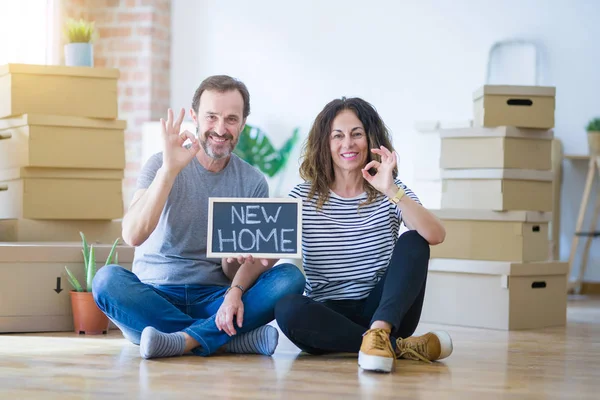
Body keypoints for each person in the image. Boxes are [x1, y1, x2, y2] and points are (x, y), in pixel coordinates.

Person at [92, 75, 305, 359]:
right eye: (211, 117)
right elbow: (133, 235)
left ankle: (180, 340)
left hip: (215, 300)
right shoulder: (160, 163)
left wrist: (234, 282)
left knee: (289, 277)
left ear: (242, 123)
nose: (220, 128)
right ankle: (225, 340)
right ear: (195, 117)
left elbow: (234, 272)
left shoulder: (252, 181)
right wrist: (168, 171)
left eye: (231, 119)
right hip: (155, 296)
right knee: (107, 281)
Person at [274, 97, 453, 373]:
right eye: (338, 136)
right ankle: (397, 346)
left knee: (415, 240)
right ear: (326, 143)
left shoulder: (391, 190)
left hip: (386, 311)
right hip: (327, 317)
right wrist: (237, 282)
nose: (348, 143)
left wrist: (391, 190)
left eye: (357, 134)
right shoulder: (300, 197)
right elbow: (267, 253)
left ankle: (381, 333)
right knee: (287, 307)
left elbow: (436, 234)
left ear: (371, 139)